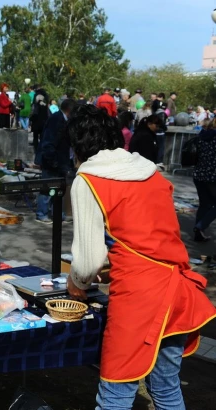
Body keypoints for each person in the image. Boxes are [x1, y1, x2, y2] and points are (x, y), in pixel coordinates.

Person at [65, 103, 216, 410]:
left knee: (115, 394)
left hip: (140, 299)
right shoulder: (150, 172)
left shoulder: (89, 179)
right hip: (178, 292)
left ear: (77, 145)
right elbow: (150, 238)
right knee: (166, 388)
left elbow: (88, 259)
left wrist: (76, 281)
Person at [35, 98, 75, 224]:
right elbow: (49, 142)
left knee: (58, 188)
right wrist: (52, 161)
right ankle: (42, 213)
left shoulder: (61, 119)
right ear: (69, 110)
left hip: (60, 160)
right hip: (53, 160)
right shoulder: (57, 120)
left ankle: (57, 213)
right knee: (47, 187)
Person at [192, 119, 216, 242]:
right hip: (212, 176)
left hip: (199, 174)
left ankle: (198, 233)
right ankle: (200, 226)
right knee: (208, 204)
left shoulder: (201, 136)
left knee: (205, 204)